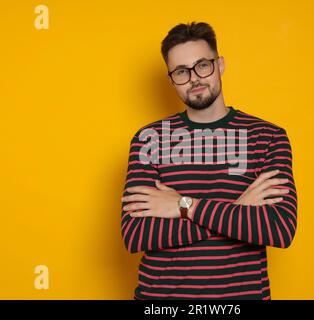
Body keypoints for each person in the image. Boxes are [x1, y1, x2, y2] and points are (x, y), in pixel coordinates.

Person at [121, 21, 298, 300]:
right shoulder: (149, 138)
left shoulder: (268, 136)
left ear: (221, 65)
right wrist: (237, 210)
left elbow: (278, 228)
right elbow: (137, 234)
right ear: (171, 80)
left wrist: (184, 205)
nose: (194, 79)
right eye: (181, 72)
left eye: (202, 65)